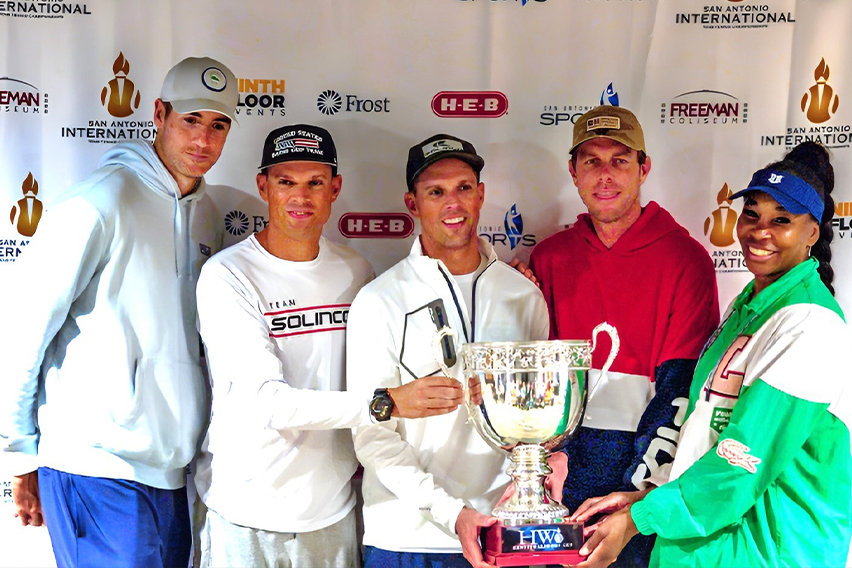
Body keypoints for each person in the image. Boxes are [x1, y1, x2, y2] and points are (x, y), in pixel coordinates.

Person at [0, 56, 238, 568]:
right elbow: (22, 332)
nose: (203, 140)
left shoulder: (210, 215)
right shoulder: (99, 202)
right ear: (158, 114)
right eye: (191, 120)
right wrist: (19, 455)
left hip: (173, 472)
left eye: (218, 125)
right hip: (96, 463)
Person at [191, 124, 464, 567]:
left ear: (335, 188)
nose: (301, 197)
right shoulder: (228, 275)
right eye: (286, 182)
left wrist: (498, 279)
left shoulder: (356, 270)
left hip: (334, 513)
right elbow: (268, 404)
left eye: (315, 182)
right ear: (263, 186)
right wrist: (389, 404)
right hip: (244, 513)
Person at [576, 142, 852, 568]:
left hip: (769, 551)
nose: (760, 231)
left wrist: (639, 518)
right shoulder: (747, 308)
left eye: (782, 220)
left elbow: (742, 462)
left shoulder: (809, 325)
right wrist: (646, 496)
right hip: (711, 546)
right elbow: (705, 430)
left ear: (812, 232)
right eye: (752, 214)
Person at [346, 133, 552, 568]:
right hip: (406, 537)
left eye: (463, 188)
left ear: (481, 196)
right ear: (412, 203)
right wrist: (451, 513)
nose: (452, 203)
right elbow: (371, 434)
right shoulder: (379, 300)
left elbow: (538, 421)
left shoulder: (524, 296)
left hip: (506, 531)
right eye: (435, 192)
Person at [526, 105, 720, 567]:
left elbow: (681, 389)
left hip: (641, 482)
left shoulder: (685, 260)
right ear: (573, 172)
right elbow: (538, 384)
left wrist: (639, 492)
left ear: (643, 168)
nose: (605, 175)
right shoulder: (550, 257)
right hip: (559, 472)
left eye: (619, 160)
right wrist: (546, 460)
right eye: (591, 161)